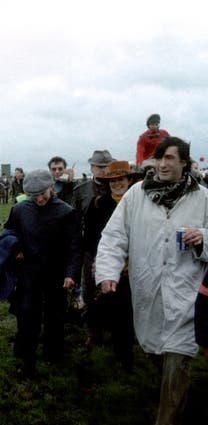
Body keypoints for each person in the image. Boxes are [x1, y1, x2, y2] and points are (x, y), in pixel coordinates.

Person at [96, 136, 208, 424]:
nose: (163, 163)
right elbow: (113, 236)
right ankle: (181, 394)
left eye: (170, 158)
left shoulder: (203, 198)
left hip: (186, 292)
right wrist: (108, 272)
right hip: (147, 289)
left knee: (178, 354)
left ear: (185, 162)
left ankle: (167, 417)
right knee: (155, 349)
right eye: (159, 158)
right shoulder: (137, 195)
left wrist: (203, 239)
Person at [3, 170, 81, 378]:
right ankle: (27, 359)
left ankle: (54, 353)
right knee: (28, 315)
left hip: (56, 272)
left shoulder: (66, 212)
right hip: (29, 273)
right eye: (33, 195)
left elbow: (75, 246)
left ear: (51, 187)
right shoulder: (19, 209)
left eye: (43, 194)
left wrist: (71, 274)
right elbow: (9, 232)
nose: (39, 199)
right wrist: (15, 247)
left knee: (55, 315)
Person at [83, 161, 142, 370]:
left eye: (121, 180)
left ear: (129, 181)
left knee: (131, 312)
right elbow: (89, 236)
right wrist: (97, 260)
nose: (116, 184)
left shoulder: (140, 204)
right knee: (116, 311)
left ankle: (130, 351)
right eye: (113, 181)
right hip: (110, 268)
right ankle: (120, 353)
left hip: (137, 267)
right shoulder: (98, 204)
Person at [71, 149, 114, 310]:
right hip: (90, 245)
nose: (103, 170)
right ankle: (93, 329)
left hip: (117, 245)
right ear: (91, 168)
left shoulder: (119, 186)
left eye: (106, 166)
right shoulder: (81, 191)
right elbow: (74, 221)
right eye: (99, 166)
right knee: (90, 287)